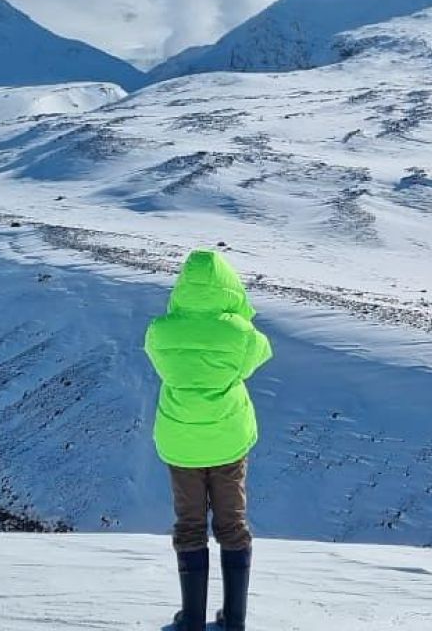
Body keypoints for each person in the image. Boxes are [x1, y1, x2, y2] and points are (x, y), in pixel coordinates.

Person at [145, 249, 274, 631]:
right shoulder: (240, 334)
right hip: (227, 439)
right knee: (232, 524)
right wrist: (238, 317)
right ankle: (234, 619)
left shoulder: (160, 330)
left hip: (181, 439)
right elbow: (259, 354)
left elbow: (161, 363)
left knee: (189, 524)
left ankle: (192, 620)